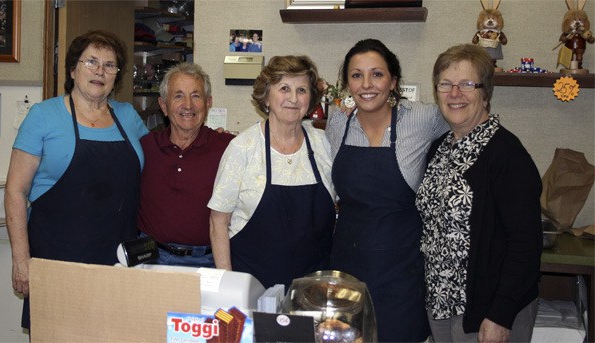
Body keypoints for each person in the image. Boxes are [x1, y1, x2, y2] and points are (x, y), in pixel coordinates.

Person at [4, 30, 148, 329]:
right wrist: (21, 259)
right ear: (73, 69)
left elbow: (159, 164)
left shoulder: (128, 116)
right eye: (91, 62)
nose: (100, 71)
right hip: (57, 258)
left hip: (118, 260)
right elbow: (16, 191)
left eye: (110, 65)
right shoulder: (44, 116)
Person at [416, 44, 542, 343]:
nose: (454, 93)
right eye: (445, 84)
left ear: (485, 92)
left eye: (466, 84)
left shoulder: (507, 154)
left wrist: (500, 314)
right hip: (441, 303)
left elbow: (525, 243)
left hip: (486, 309)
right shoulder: (439, 149)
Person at [325, 38, 449, 342]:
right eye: (356, 75)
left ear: (393, 82)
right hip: (346, 268)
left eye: (377, 74)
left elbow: (464, 117)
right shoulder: (338, 121)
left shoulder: (421, 119)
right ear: (347, 84)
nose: (367, 84)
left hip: (401, 273)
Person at [209, 55, 336, 289]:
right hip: (252, 287)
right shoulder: (242, 148)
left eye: (302, 90)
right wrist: (227, 287)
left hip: (313, 289)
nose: (293, 98)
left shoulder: (323, 145)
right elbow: (218, 221)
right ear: (266, 96)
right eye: (284, 88)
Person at [137, 63, 234, 267]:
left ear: (208, 103)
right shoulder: (145, 147)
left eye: (196, 96)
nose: (188, 105)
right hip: (152, 258)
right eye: (178, 96)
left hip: (208, 261)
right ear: (164, 105)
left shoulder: (228, 148)